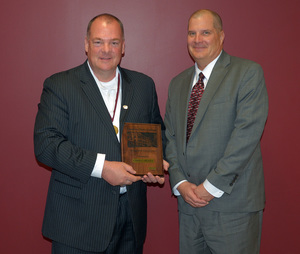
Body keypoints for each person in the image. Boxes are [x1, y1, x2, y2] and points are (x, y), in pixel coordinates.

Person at [34, 13, 168, 254]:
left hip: (131, 220)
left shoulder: (143, 85)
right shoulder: (60, 85)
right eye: (98, 42)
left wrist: (155, 164)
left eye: (114, 42)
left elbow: (158, 134)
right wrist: (103, 167)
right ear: (86, 45)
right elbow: (46, 145)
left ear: (123, 46)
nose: (106, 49)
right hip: (77, 222)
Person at [164, 9, 268, 254]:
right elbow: (170, 137)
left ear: (221, 36)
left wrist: (209, 188)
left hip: (233, 209)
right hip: (189, 207)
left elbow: (246, 137)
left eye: (205, 32)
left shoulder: (247, 73)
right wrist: (180, 183)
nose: (197, 39)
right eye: (192, 33)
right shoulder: (177, 83)